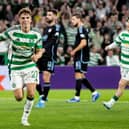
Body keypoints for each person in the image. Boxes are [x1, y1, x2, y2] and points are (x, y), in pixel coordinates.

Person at [0, 8, 44, 126]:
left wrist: (37, 56)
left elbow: (40, 51)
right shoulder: (12, 31)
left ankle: (25, 118)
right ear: (19, 20)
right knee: (19, 97)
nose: (25, 20)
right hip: (15, 67)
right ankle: (23, 84)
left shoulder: (36, 34)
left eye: (27, 18)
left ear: (31, 20)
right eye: (23, 18)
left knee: (31, 94)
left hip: (29, 66)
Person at [67, 13, 100, 103]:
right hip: (80, 55)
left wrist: (74, 51)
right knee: (81, 76)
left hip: (81, 55)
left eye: (73, 19)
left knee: (78, 75)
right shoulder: (80, 29)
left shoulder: (81, 29)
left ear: (79, 19)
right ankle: (94, 92)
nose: (71, 21)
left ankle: (76, 97)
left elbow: (84, 43)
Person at [35, 9, 60, 108]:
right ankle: (42, 94)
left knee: (46, 77)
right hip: (41, 55)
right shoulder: (45, 29)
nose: (47, 16)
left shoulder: (56, 28)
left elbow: (53, 41)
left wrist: (43, 50)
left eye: (49, 15)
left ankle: (43, 101)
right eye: (47, 14)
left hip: (49, 56)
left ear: (54, 17)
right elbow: (43, 42)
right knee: (34, 75)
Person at [103, 17, 129, 110]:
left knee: (121, 84)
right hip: (124, 65)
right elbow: (116, 43)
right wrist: (109, 47)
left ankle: (110, 103)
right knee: (122, 85)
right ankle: (110, 103)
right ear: (126, 23)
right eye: (128, 22)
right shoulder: (123, 34)